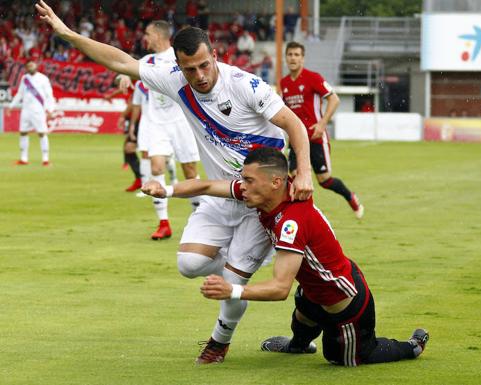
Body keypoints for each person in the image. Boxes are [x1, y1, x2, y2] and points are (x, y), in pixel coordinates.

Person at [36, 0, 313, 364]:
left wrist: (305, 170)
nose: (199, 75)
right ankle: (245, 265)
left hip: (259, 200)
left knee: (230, 285)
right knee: (189, 264)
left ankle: (219, 341)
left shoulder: (245, 85)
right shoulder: (171, 79)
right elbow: (120, 61)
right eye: (189, 69)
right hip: (218, 194)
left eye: (204, 65)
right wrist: (66, 33)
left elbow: (293, 124)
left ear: (214, 54)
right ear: (178, 67)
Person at [141, 147, 429, 367]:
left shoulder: (291, 220)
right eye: (243, 178)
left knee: (344, 358)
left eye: (249, 180)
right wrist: (164, 190)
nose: (242, 185)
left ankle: (411, 346)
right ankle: (298, 345)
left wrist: (233, 290)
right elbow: (205, 186)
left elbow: (280, 289)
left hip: (344, 302)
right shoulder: (265, 192)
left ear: (276, 182)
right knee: (303, 313)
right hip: (312, 292)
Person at [281, 41, 364, 218]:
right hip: (297, 140)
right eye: (290, 54)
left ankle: (350, 197)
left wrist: (322, 124)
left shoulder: (313, 77)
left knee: (324, 181)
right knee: (296, 177)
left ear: (303, 59)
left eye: (297, 55)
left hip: (316, 138)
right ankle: (301, 218)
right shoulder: (284, 83)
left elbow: (334, 99)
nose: (293, 58)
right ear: (286, 58)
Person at [135, 20, 202, 240]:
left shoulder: (178, 58)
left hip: (181, 122)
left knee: (190, 172)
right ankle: (164, 223)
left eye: (148, 33)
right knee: (156, 167)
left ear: (159, 35)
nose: (145, 37)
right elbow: (126, 70)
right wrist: (123, 77)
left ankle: (200, 222)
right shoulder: (146, 61)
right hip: (157, 124)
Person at [8, 59, 55, 166]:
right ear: (26, 68)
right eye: (28, 66)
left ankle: (45, 159)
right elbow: (20, 94)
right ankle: (23, 159)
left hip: (38, 111)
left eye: (32, 65)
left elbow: (49, 96)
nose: (31, 67)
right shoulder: (25, 79)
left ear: (36, 66)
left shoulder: (43, 79)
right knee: (23, 132)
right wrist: (11, 106)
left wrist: (50, 110)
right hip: (26, 110)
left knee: (42, 133)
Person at [104, 80, 142, 191]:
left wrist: (122, 116)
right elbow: (124, 89)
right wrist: (111, 95)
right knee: (129, 148)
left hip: (142, 121)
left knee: (133, 149)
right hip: (139, 120)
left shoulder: (139, 79)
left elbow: (133, 103)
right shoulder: (135, 80)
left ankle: (142, 179)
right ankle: (140, 179)